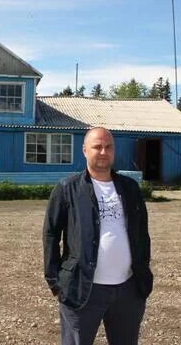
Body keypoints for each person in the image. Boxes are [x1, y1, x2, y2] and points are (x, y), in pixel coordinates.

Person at [43, 127, 153, 345]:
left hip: (128, 291)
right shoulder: (67, 189)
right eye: (97, 147)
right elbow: (51, 235)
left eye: (108, 147)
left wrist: (143, 277)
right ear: (85, 150)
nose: (103, 152)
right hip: (82, 290)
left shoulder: (129, 188)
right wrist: (56, 282)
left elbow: (142, 233)